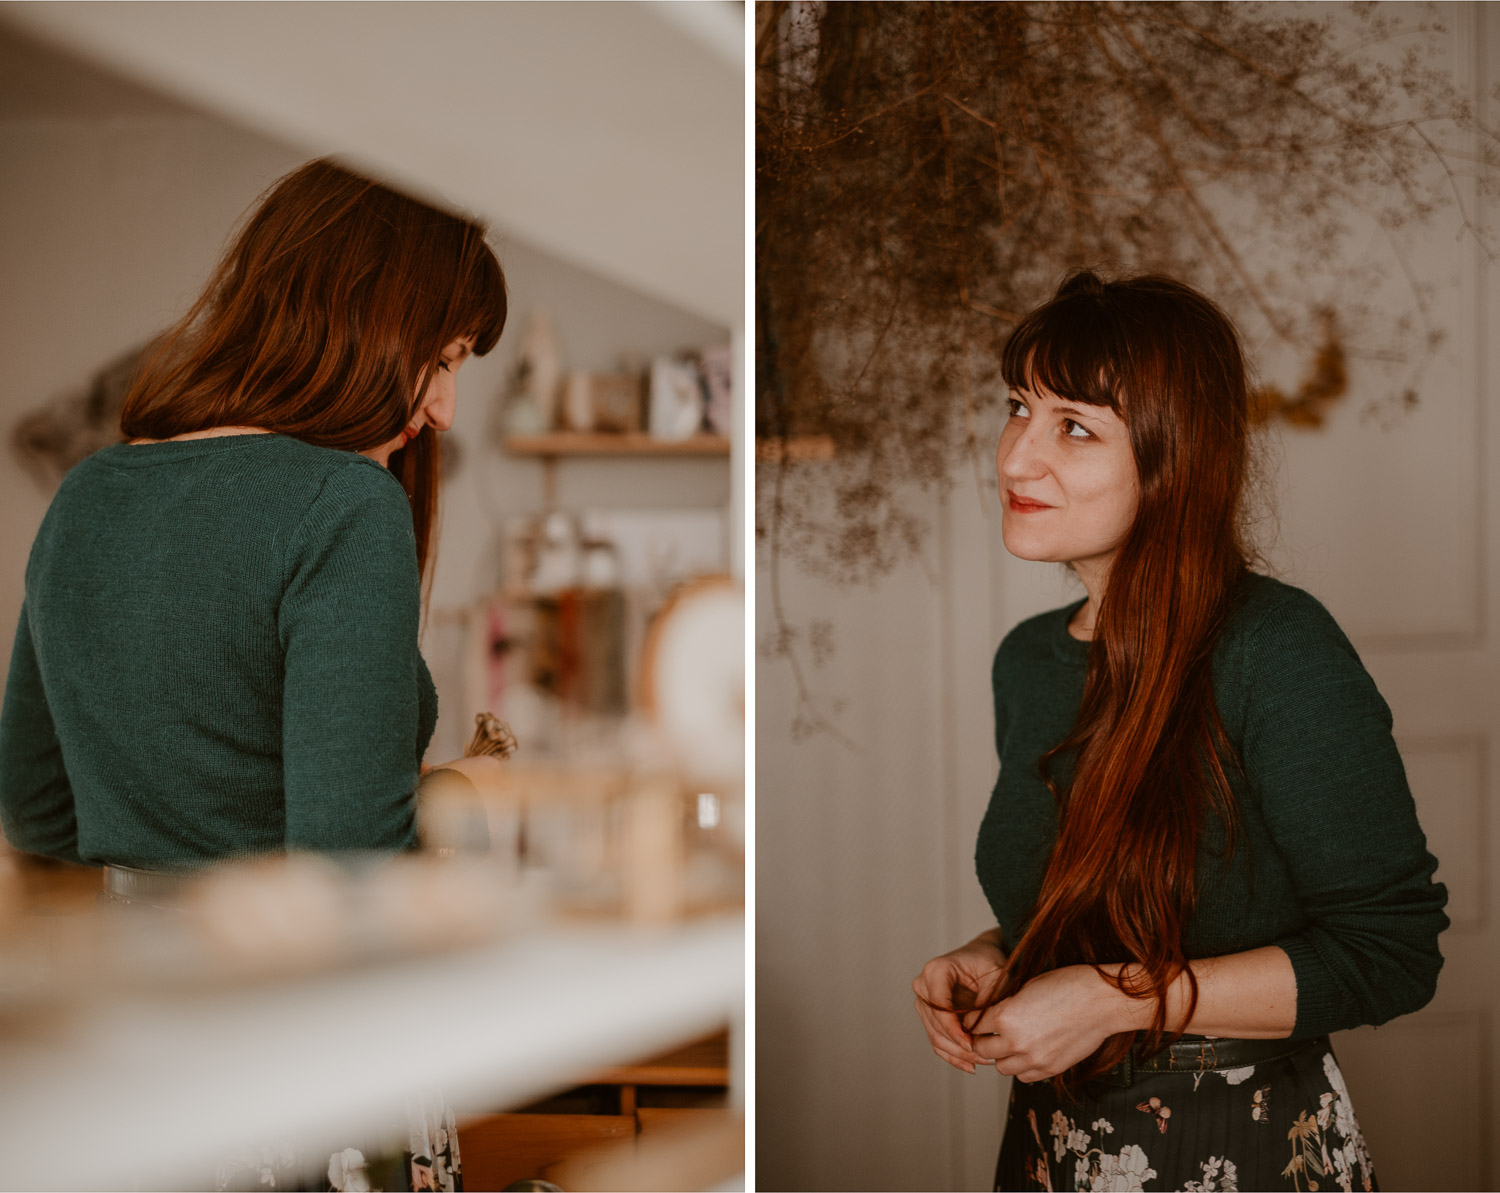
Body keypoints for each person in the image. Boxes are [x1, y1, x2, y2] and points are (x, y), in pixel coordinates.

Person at [0, 157, 507, 1190]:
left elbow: (38, 812)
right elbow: (346, 881)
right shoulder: (345, 507)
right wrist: (467, 795)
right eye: (442, 357)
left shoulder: (88, 497)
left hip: (131, 1054)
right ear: (363, 317)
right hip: (301, 1062)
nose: (447, 406)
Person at [912, 270, 1448, 1192]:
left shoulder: (1274, 649)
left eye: (1072, 425)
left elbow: (1391, 952)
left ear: (1173, 458)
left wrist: (1109, 1000)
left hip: (1240, 1145)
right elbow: (1119, 890)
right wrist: (1003, 952)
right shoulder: (1030, 662)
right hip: (1055, 1147)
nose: (1012, 457)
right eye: (1016, 408)